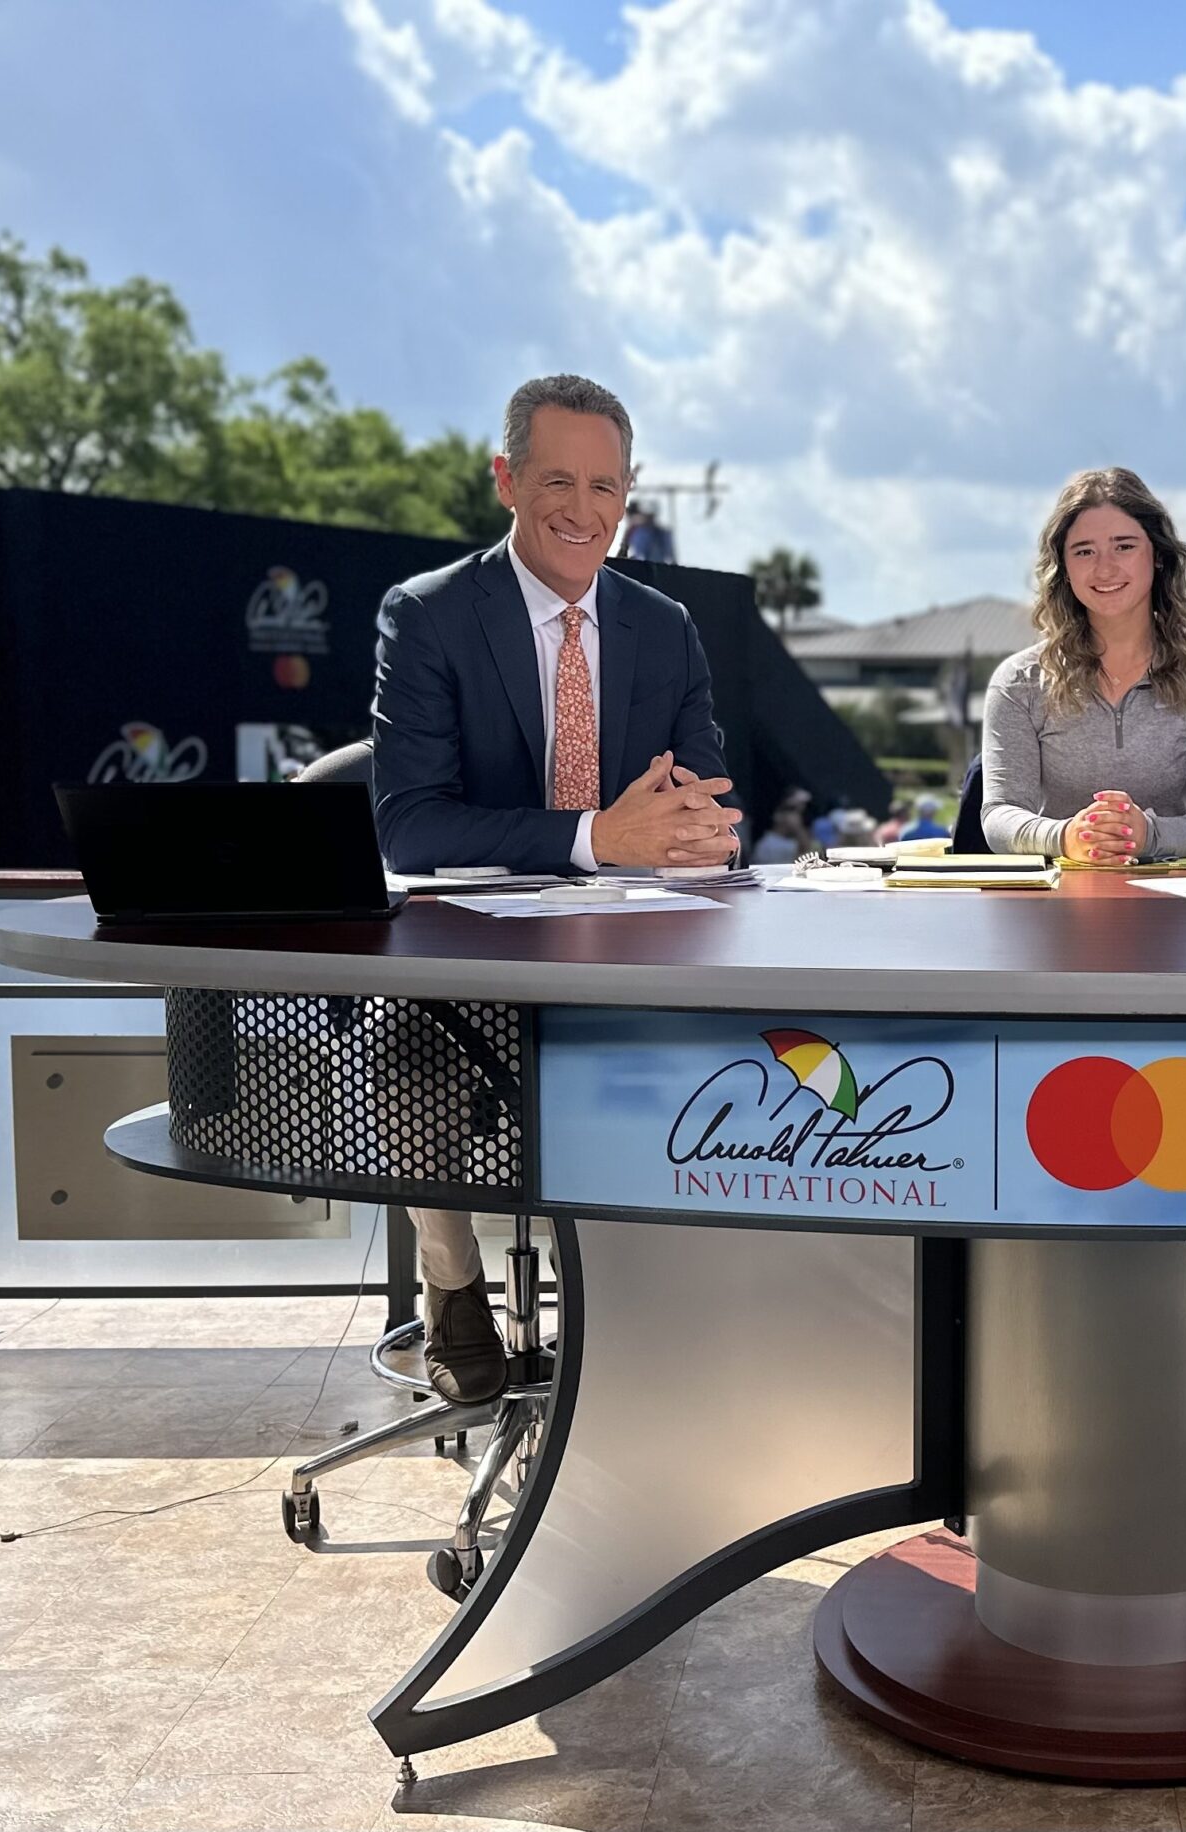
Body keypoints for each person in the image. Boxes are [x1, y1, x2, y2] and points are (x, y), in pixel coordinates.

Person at [372, 372, 743, 1403]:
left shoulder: (664, 627)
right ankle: (451, 1286)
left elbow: (706, 793)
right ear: (505, 479)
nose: (585, 511)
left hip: (624, 952)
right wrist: (596, 835)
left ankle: (639, 1300)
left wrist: (701, 827)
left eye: (607, 487)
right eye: (558, 481)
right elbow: (407, 821)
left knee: (713, 1061)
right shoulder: (430, 616)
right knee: (415, 1055)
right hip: (467, 956)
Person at [980, 467, 1186, 862]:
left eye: (1124, 547)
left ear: (1157, 556)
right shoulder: (1017, 683)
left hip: (1180, 908)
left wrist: (1147, 835)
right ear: (1064, 567)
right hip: (1057, 907)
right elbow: (998, 816)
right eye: (1084, 551)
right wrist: (1067, 837)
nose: (1104, 568)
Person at [751, 788, 815, 864]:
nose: (796, 815)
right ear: (776, 814)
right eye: (791, 809)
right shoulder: (768, 845)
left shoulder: (795, 840)